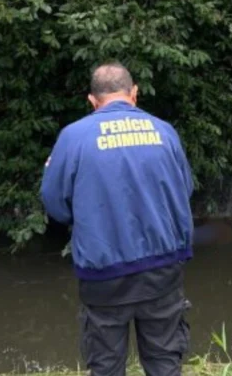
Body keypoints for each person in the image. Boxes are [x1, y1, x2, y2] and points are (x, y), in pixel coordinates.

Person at [41, 62, 194, 376]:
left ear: (92, 100)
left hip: (104, 273)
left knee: (106, 366)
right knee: (165, 362)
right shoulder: (164, 131)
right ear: (134, 93)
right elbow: (185, 190)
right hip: (163, 269)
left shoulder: (73, 137)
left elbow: (56, 206)